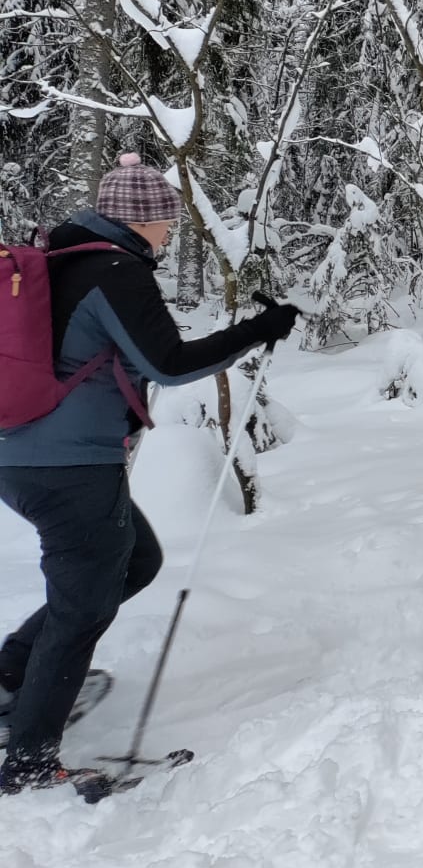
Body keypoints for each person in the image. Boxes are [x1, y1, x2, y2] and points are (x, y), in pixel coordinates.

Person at [0, 153, 297, 795]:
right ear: (143, 220)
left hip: (20, 459)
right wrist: (259, 330)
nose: (169, 234)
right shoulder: (115, 271)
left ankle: (10, 681)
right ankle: (27, 758)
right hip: (71, 468)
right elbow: (168, 364)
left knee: (134, 561)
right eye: (166, 221)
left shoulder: (57, 262)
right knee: (83, 609)